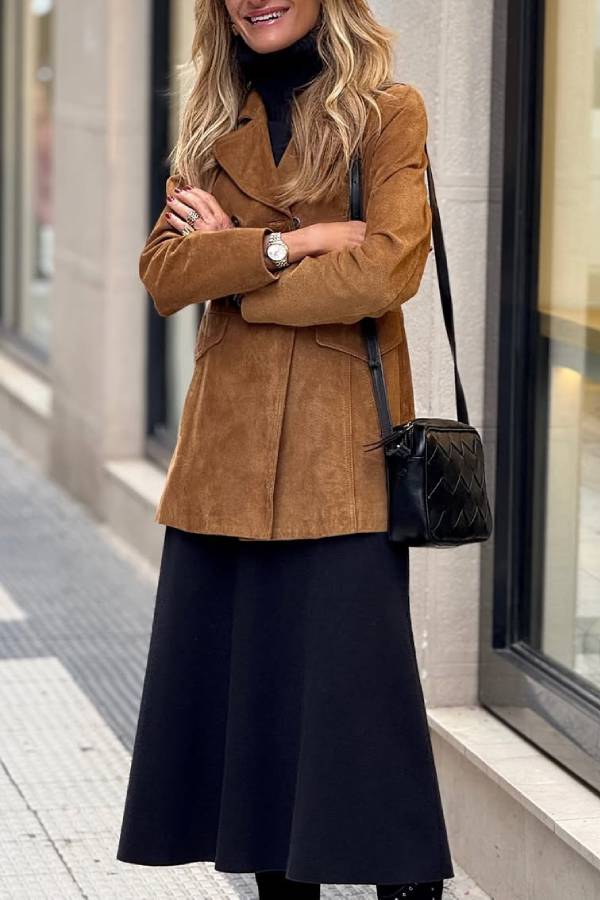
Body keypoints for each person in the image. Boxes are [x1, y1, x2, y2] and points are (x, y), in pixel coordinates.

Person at [116, 2, 455, 898]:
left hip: (340, 457)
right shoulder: (208, 127)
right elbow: (164, 275)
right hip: (223, 462)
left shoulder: (387, 111)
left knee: (362, 700)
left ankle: (409, 883)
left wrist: (238, 278)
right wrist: (288, 242)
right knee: (252, 708)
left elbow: (387, 267)